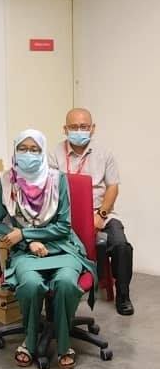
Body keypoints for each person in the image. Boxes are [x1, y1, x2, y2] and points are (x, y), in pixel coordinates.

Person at [0, 129, 96, 369]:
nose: (28, 154)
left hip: (62, 247)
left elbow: (63, 226)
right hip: (26, 252)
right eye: (23, 149)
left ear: (43, 151)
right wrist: (27, 243)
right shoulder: (6, 181)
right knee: (30, 284)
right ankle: (30, 339)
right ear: (15, 151)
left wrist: (26, 234)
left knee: (66, 283)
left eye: (34, 149)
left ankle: (64, 343)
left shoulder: (57, 180)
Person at [50, 109, 133, 316]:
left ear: (92, 128)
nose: (79, 130)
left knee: (121, 245)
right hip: (65, 215)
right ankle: (56, 294)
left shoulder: (105, 153)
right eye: (74, 127)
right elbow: (49, 189)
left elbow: (113, 188)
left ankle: (123, 295)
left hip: (99, 213)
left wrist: (101, 215)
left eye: (84, 126)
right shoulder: (54, 154)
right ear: (65, 129)